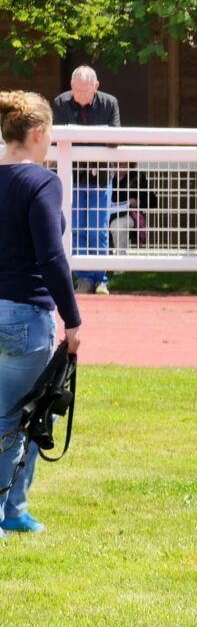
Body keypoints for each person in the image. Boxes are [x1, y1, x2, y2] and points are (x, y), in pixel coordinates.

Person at [0, 91, 81, 536]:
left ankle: (14, 509)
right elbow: (52, 257)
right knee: (23, 417)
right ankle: (9, 510)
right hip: (26, 316)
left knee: (14, 416)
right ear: (37, 133)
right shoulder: (42, 183)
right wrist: (73, 320)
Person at [51, 66, 121, 294]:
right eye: (77, 91)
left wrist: (87, 145)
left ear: (96, 86)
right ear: (71, 87)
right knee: (77, 226)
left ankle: (100, 278)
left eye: (85, 91)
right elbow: (57, 138)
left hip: (100, 176)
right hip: (72, 176)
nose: (80, 96)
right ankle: (83, 277)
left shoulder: (109, 103)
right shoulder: (61, 103)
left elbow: (114, 138)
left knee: (98, 228)